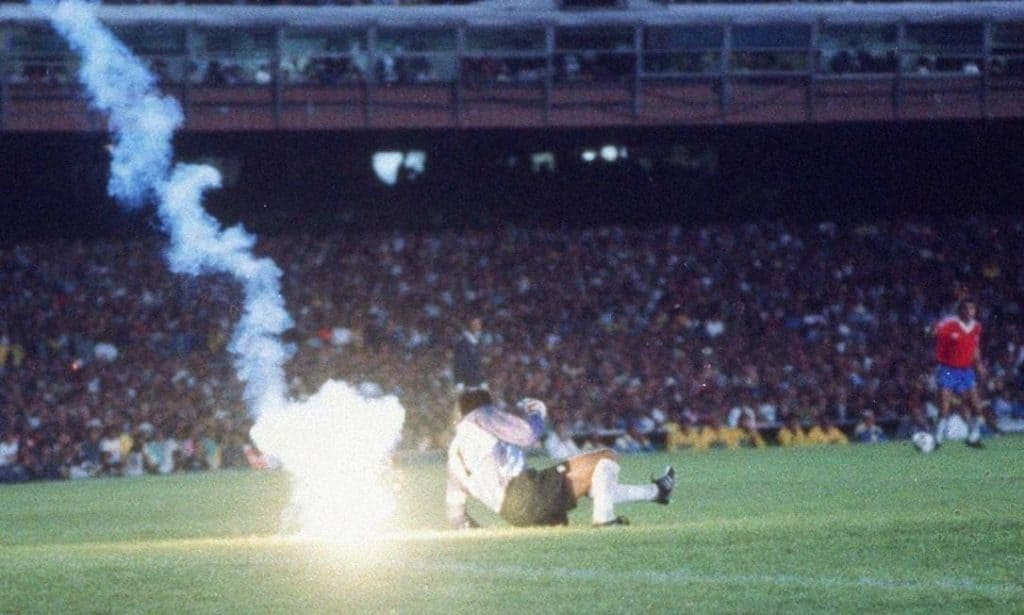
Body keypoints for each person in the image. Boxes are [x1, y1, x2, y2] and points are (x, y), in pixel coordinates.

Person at [446, 389, 675, 528]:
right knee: (606, 457)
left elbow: (455, 511)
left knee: (592, 481)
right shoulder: (482, 415)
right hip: (525, 492)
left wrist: (471, 530)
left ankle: (656, 492)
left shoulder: (454, 451)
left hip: (512, 514)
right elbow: (528, 434)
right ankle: (605, 519)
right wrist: (538, 413)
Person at [932, 298, 987, 448]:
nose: (970, 312)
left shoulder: (977, 327)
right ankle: (937, 439)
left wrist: (979, 365)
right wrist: (934, 330)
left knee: (976, 406)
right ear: (961, 311)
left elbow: (975, 347)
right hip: (948, 369)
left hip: (966, 370)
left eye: (972, 309)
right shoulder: (951, 324)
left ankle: (973, 436)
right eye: (967, 309)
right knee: (944, 407)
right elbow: (934, 332)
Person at [452, 317, 486, 390]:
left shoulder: (480, 340)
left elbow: (480, 363)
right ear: (470, 325)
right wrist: (459, 381)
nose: (478, 326)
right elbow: (459, 362)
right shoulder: (462, 342)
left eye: (479, 323)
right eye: (475, 324)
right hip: (466, 382)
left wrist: (482, 380)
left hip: (478, 381)